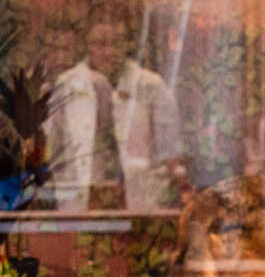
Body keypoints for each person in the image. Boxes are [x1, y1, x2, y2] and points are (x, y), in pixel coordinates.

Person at [47, 13, 183, 212]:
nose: (108, 52)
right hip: (80, 203)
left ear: (128, 45)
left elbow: (169, 153)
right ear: (88, 45)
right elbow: (54, 151)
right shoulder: (67, 85)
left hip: (140, 204)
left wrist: (158, 198)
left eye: (116, 43)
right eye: (100, 44)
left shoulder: (151, 86)